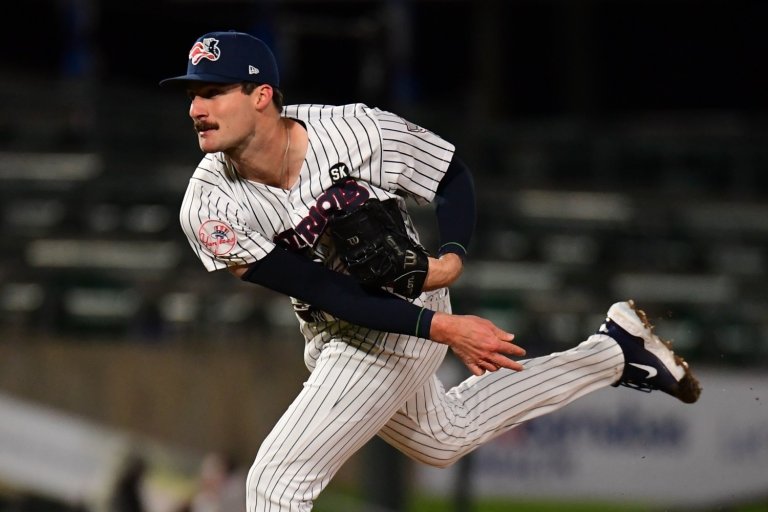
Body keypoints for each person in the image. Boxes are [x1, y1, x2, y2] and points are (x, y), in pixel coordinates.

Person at [160, 30, 701, 512]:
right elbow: (318, 286)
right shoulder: (209, 205)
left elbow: (451, 177)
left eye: (213, 92)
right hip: (339, 321)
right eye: (192, 96)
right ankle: (613, 352)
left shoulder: (356, 131)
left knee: (275, 484)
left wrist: (453, 258)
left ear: (261, 95)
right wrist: (445, 329)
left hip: (407, 303)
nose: (196, 109)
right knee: (444, 435)